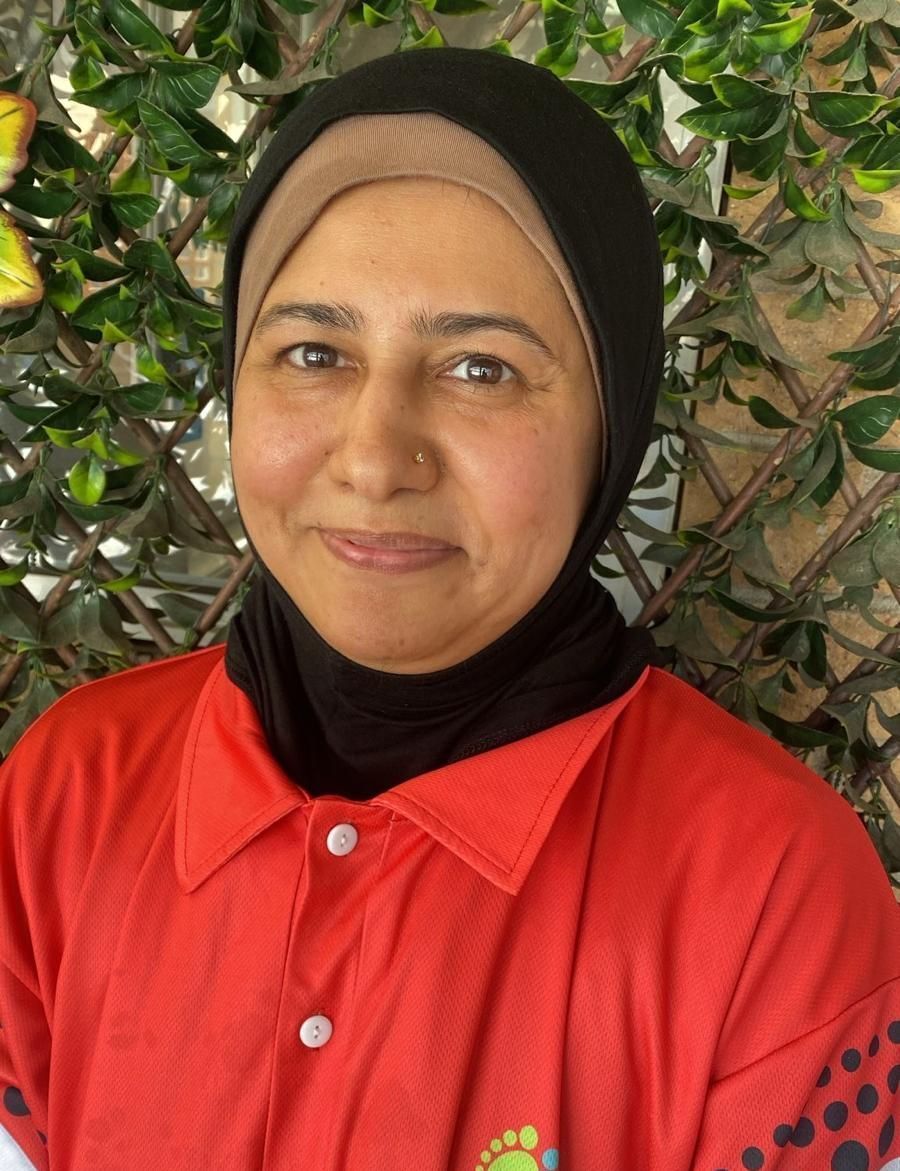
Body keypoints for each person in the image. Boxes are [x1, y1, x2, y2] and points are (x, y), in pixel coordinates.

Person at [1, 45, 898, 1171]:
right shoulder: (66, 797)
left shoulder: (772, 896)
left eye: (481, 368)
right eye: (314, 351)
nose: (376, 459)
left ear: (609, 430)